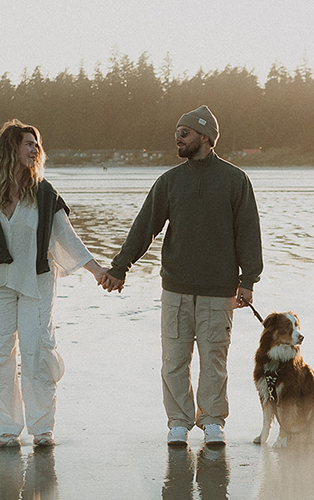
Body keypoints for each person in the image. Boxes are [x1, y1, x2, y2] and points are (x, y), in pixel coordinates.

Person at [100, 105, 263, 446]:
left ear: (205, 137)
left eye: (184, 132)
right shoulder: (170, 182)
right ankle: (178, 421)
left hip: (219, 290)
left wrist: (248, 281)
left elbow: (249, 232)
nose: (178, 137)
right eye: (177, 131)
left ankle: (213, 420)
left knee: (214, 360)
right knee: (174, 359)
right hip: (175, 287)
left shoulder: (235, 180)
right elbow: (144, 228)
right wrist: (119, 267)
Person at [0, 119, 107, 448]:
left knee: (37, 353)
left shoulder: (43, 193)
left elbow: (67, 239)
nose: (35, 149)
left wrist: (97, 270)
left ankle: (42, 428)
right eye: (28, 144)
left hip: (37, 282)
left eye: (37, 145)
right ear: (10, 149)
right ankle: (7, 429)